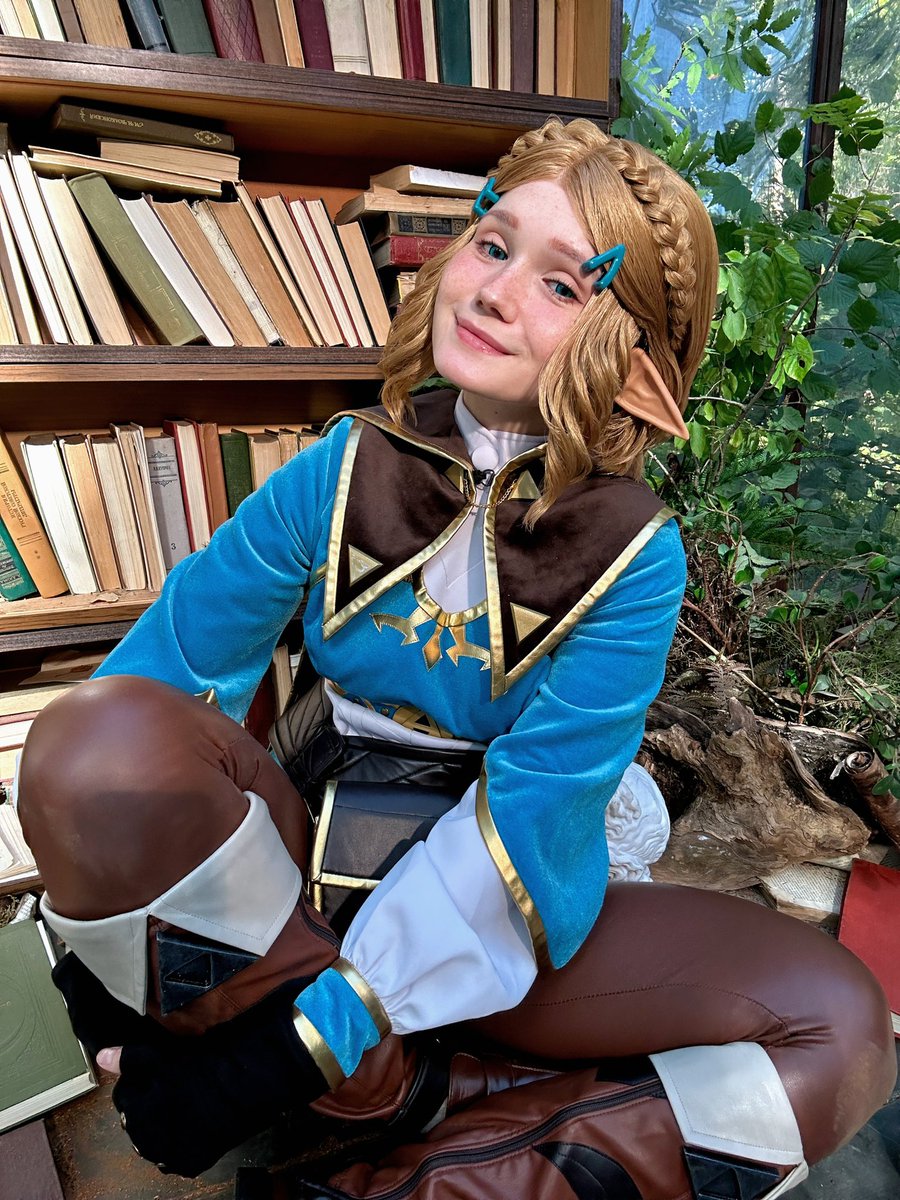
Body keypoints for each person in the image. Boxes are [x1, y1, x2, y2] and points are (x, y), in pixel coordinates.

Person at [18, 118, 895, 1199]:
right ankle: (421, 1089)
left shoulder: (636, 555)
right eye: (492, 243)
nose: (494, 292)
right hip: (292, 892)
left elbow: (536, 812)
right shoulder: (341, 465)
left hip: (498, 903)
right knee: (94, 734)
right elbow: (169, 667)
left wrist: (297, 1049)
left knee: (839, 1023)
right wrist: (102, 965)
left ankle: (405, 1157)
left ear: (635, 359)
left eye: (564, 283)